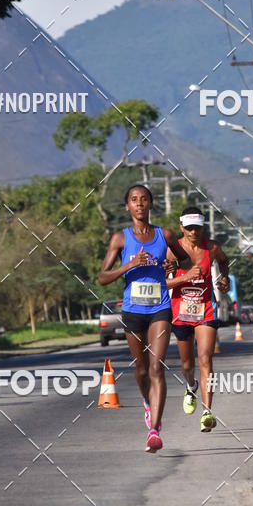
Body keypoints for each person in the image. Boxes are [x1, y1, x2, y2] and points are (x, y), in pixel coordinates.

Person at [98, 184, 190, 453]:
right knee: (141, 370)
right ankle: (148, 404)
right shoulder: (120, 239)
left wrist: (174, 265)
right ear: (127, 206)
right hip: (133, 311)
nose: (139, 204)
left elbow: (185, 260)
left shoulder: (165, 235)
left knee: (156, 367)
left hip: (160, 308)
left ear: (151, 204)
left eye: (144, 199)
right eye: (134, 200)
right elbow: (102, 277)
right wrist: (129, 265)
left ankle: (154, 431)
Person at [165, 207, 230, 433]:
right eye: (189, 228)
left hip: (206, 309)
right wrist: (185, 278)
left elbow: (224, 262)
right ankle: (190, 386)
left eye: (198, 228)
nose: (194, 232)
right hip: (180, 311)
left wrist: (224, 278)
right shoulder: (172, 251)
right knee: (187, 365)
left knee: (205, 358)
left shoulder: (212, 248)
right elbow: (163, 283)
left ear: (203, 228)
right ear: (181, 227)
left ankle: (207, 411)